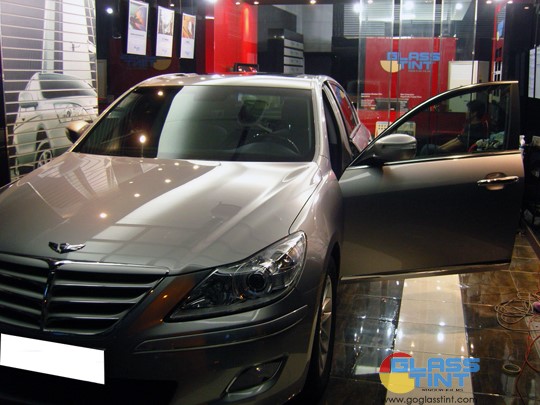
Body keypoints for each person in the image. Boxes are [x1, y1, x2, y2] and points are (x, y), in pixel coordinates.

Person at [421, 99, 488, 155]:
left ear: (474, 113)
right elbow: (458, 139)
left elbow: (458, 144)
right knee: (428, 147)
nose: (466, 112)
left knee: (426, 148)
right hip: (454, 151)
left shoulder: (476, 129)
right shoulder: (471, 126)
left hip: (457, 154)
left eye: (468, 110)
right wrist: (440, 148)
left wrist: (439, 150)